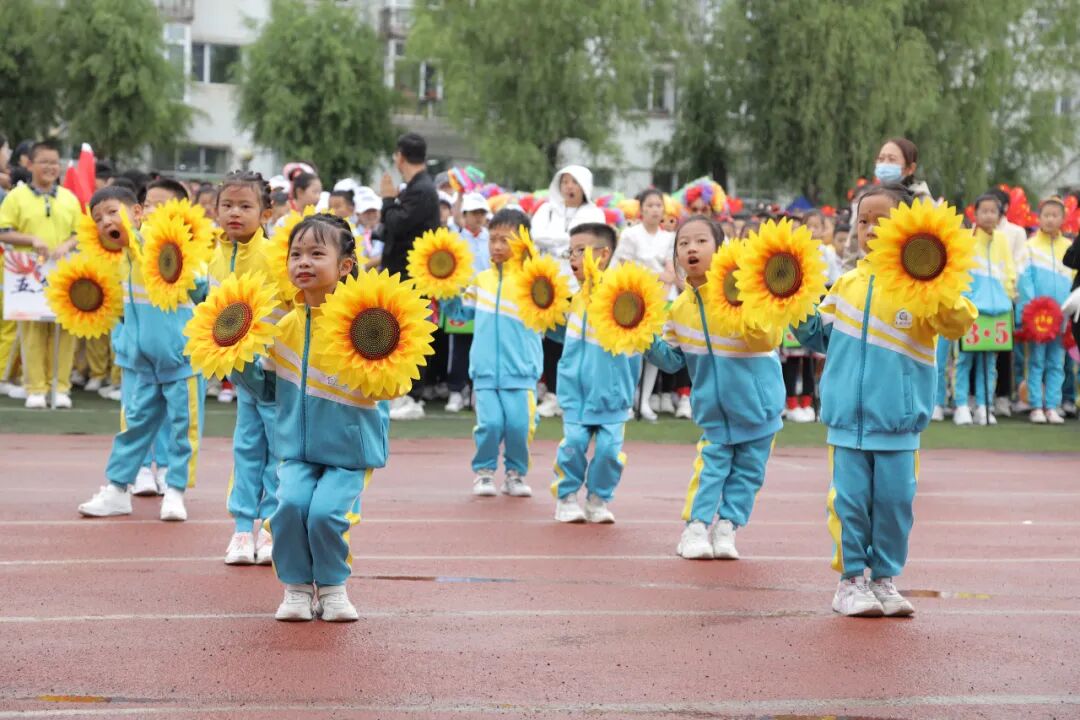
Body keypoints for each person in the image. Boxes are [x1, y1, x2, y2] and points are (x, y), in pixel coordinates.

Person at [793, 183, 977, 617]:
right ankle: (851, 581)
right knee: (850, 504)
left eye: (881, 219)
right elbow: (821, 336)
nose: (869, 228)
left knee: (895, 505)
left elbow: (957, 321)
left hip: (898, 423)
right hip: (847, 423)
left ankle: (885, 579)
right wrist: (793, 307)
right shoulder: (845, 285)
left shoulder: (924, 284)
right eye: (862, 220)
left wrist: (936, 280)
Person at [236, 214, 389, 621]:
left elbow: (391, 385)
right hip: (296, 450)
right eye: (296, 254)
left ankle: (334, 588)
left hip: (348, 451)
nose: (303, 262)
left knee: (325, 514)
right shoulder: (283, 326)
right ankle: (298, 588)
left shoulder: (366, 323)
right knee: (287, 509)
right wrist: (233, 360)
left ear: (345, 266)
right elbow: (266, 390)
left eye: (316, 253)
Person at [646, 216, 785, 561]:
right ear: (676, 256)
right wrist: (642, 337)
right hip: (714, 411)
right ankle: (695, 527)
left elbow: (767, 338)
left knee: (749, 474)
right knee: (711, 470)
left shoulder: (748, 292)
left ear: (720, 248)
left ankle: (728, 526)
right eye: (683, 243)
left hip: (760, 408)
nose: (691, 248)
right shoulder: (679, 308)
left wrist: (744, 304)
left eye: (701, 241)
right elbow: (672, 361)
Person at [76, 186, 206, 522]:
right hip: (144, 365)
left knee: (183, 428)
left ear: (137, 212)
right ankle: (118, 490)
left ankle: (175, 491)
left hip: (181, 360)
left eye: (111, 211)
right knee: (134, 427)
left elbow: (203, 287)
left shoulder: (164, 245)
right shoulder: (118, 260)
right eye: (99, 218)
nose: (106, 221)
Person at [207, 171, 282, 565]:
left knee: (278, 453)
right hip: (241, 376)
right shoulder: (215, 256)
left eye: (245, 206)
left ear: (265, 212)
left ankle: (270, 528)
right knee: (246, 448)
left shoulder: (275, 256)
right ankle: (241, 529)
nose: (235, 213)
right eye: (227, 205)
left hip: (273, 373)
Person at [442, 208, 541, 499]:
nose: (497, 246)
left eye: (505, 240)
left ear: (523, 242)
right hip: (485, 371)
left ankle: (515, 473)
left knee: (519, 426)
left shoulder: (534, 283)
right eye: (493, 239)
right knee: (490, 424)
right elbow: (459, 312)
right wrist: (445, 291)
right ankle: (484, 471)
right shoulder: (482, 280)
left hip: (521, 372)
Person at [550, 222, 639, 523]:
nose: (573, 258)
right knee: (574, 444)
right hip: (576, 392)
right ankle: (566, 496)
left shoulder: (624, 297)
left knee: (609, 451)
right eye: (570, 251)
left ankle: (598, 498)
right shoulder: (572, 300)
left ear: (603, 254)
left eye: (580, 250)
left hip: (613, 394)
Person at [0, 141, 81, 409]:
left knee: (65, 330)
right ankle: (35, 387)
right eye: (44, 162)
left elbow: (80, 233)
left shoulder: (69, 199)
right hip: (28, 273)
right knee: (32, 329)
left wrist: (67, 245)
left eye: (54, 162)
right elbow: (3, 231)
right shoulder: (16, 197)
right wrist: (31, 240)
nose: (50, 167)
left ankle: (60, 386)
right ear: (30, 165)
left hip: (63, 272)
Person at [530, 165, 606, 419]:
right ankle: (553, 393)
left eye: (574, 182)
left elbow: (593, 243)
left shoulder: (594, 212)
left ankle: (576, 393)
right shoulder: (547, 209)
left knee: (578, 340)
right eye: (565, 181)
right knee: (552, 342)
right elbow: (537, 235)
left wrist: (559, 242)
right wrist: (568, 241)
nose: (569, 187)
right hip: (552, 284)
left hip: (581, 284)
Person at [380, 133, 440, 420]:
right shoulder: (417, 187)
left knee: (412, 332)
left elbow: (397, 224)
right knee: (402, 330)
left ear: (400, 156)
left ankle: (412, 395)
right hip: (402, 271)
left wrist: (389, 200)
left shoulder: (422, 189)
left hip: (411, 273)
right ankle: (403, 392)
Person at [611, 188, 676, 421]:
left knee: (655, 348)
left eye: (659, 205)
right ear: (642, 209)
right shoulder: (631, 235)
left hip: (661, 300)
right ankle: (629, 398)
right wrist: (654, 277)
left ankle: (645, 400)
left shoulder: (669, 237)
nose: (655, 210)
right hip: (635, 297)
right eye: (650, 205)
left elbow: (670, 272)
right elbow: (625, 266)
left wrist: (661, 284)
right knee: (632, 350)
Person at [952, 194, 1015, 426]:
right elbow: (960, 274)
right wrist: (965, 301)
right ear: (975, 214)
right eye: (984, 211)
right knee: (964, 359)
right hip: (971, 310)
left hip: (997, 312)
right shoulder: (966, 240)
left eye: (993, 211)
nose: (989, 215)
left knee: (989, 362)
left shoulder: (1002, 241)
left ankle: (984, 406)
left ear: (1000, 216)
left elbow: (1009, 272)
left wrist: (1007, 298)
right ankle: (960, 405)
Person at [1016, 196, 1075, 424]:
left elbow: (1073, 279)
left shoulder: (1069, 248)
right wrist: (1034, 308)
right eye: (1046, 215)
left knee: (1057, 362)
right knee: (1036, 361)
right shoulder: (1029, 247)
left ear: (1063, 219)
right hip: (1038, 318)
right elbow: (1024, 279)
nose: (1050, 219)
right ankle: (1035, 406)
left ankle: (1052, 405)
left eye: (1055, 215)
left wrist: (1069, 307)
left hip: (1061, 316)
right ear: (1039, 218)